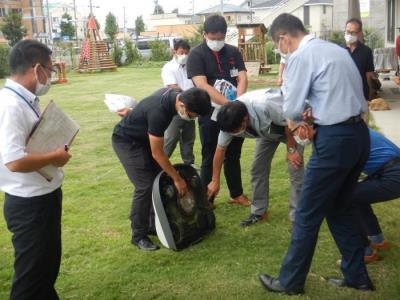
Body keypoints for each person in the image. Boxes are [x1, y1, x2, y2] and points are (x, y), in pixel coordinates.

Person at [258, 14, 373, 295]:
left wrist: (299, 115)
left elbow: (292, 108)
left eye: (278, 45)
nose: (281, 51)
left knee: (307, 214)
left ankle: (290, 282)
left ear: (284, 38)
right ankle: (357, 276)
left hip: (334, 140)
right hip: (359, 136)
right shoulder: (335, 49)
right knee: (339, 208)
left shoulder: (300, 56)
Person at [0, 40, 72, 299]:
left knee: (45, 269)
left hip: (44, 195)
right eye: (50, 71)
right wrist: (55, 156)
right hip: (29, 204)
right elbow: (14, 161)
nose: (49, 77)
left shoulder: (24, 99)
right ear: (36, 68)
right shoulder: (10, 105)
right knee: (30, 279)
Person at [112, 87, 211, 251]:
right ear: (182, 104)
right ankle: (138, 236)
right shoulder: (159, 112)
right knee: (145, 186)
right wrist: (177, 179)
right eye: (193, 115)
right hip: (126, 141)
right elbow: (158, 153)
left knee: (159, 181)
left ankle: (152, 225)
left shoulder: (176, 94)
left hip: (144, 138)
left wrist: (134, 112)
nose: (191, 118)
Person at [207, 89, 304, 226]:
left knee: (295, 168)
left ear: (245, 119)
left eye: (234, 131)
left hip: (290, 125)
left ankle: (298, 215)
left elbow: (289, 121)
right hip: (266, 132)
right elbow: (220, 150)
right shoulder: (228, 120)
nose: (233, 134)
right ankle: (259, 212)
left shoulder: (265, 104)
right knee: (257, 169)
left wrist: (291, 150)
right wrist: (215, 180)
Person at [187, 14, 250, 207]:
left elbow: (242, 76)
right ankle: (208, 197)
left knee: (234, 154)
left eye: (220, 38)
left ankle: (236, 194)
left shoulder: (232, 52)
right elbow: (202, 84)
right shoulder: (196, 55)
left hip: (234, 112)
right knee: (210, 152)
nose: (216, 42)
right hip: (210, 113)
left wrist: (237, 101)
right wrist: (226, 103)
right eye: (212, 38)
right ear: (205, 34)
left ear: (225, 34)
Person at [352, 129, 400, 262]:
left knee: (347, 197)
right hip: (389, 169)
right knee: (357, 195)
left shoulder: (343, 134)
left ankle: (366, 252)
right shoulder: (357, 128)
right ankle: (378, 241)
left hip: (393, 174)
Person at [161, 39, 196, 166]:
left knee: (189, 138)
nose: (184, 56)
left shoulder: (190, 66)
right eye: (181, 52)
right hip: (176, 107)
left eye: (187, 53)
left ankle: (189, 165)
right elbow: (172, 86)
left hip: (191, 107)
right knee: (171, 138)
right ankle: (159, 165)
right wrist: (190, 95)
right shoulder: (168, 68)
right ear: (174, 51)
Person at [344, 18, 375, 101]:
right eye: (347, 31)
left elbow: (369, 75)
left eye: (353, 32)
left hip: (361, 95)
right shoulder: (338, 50)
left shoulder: (366, 51)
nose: (349, 34)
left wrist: (370, 96)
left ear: (360, 33)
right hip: (343, 95)